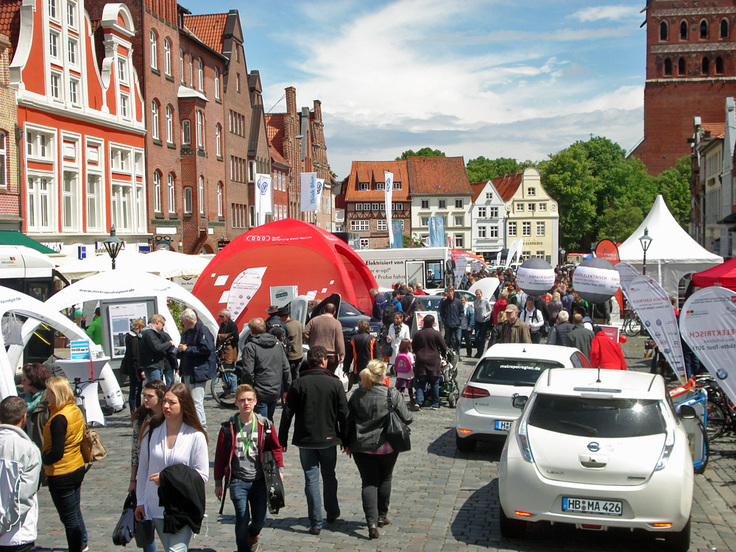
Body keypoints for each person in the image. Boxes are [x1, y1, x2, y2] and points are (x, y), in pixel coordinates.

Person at [278, 346, 348, 535]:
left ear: (309, 361)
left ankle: (316, 522)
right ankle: (332, 512)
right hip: (329, 437)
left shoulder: (299, 383)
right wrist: (346, 439)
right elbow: (344, 414)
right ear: (324, 360)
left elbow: (287, 413)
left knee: (311, 479)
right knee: (329, 475)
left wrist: (281, 438)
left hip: (305, 438)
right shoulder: (335, 383)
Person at [135, 383, 209, 552]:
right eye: (164, 402)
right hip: (156, 505)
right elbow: (143, 468)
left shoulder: (196, 436)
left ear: (184, 404)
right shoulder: (151, 431)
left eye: (172, 402)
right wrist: (140, 501)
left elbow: (202, 475)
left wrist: (168, 479)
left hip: (183, 506)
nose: (166, 406)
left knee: (176, 549)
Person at [345, 360, 413, 540]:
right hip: (387, 446)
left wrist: (346, 443)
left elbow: (348, 421)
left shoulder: (357, 394)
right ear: (383, 376)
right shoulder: (392, 393)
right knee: (385, 478)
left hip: (361, 446)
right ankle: (382, 515)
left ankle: (371, 523)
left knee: (368, 482)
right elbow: (407, 418)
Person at [214, 384, 284, 552]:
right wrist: (218, 482)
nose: (246, 403)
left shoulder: (264, 425)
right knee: (242, 517)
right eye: (242, 400)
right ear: (236, 403)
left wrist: (280, 469)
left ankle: (252, 535)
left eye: (249, 400)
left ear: (255, 402)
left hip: (260, 479)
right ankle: (243, 549)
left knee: (260, 519)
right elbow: (220, 457)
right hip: (238, 480)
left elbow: (276, 447)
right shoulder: (228, 428)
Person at [42, 377, 87, 552]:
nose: (46, 396)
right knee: (75, 512)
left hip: (62, 473)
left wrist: (42, 458)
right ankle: (82, 543)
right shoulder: (73, 409)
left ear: (57, 394)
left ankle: (76, 547)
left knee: (69, 519)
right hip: (76, 466)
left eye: (50, 393)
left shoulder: (59, 418)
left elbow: (57, 452)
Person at [128, 380, 167, 552]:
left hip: (164, 472)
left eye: (149, 396)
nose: (145, 399)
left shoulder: (169, 415)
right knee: (145, 519)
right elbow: (135, 451)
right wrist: (133, 479)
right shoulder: (141, 417)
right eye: (144, 395)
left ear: (160, 397)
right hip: (146, 471)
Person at [0, 396, 42, 552]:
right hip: (17, 534)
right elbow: (22, 497)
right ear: (24, 418)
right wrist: (3, 526)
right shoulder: (29, 450)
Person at [241, 317, 292, 421]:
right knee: (268, 420)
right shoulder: (277, 344)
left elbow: (247, 372)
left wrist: (248, 389)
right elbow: (286, 368)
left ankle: (267, 436)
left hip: (260, 391)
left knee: (261, 422)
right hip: (275, 389)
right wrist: (287, 388)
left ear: (251, 331)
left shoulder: (250, 347)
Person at [177, 308, 217, 430]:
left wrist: (187, 349)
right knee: (190, 401)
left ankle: (201, 427)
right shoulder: (187, 332)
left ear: (188, 320)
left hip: (198, 370)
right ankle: (193, 425)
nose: (182, 324)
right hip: (189, 370)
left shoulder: (202, 330)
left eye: (183, 322)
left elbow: (207, 349)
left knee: (196, 401)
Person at [411, 314, 448, 411]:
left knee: (420, 382)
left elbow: (414, 347)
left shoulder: (418, 334)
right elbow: (443, 347)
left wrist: (418, 353)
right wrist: (445, 354)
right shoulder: (436, 334)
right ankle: (435, 403)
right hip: (433, 360)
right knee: (435, 382)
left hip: (421, 360)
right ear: (433, 323)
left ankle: (419, 402)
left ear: (423, 322)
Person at [302, 303, 345, 374]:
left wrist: (310, 343)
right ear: (334, 312)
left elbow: (305, 332)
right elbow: (339, 341)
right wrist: (342, 355)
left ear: (324, 310)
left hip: (315, 354)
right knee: (329, 376)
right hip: (331, 355)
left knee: (315, 374)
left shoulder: (314, 320)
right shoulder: (336, 323)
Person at [20, 362, 52, 451]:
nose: (21, 383)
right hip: (30, 450)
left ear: (34, 381)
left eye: (24, 380)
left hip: (45, 452)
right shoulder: (25, 400)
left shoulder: (48, 401)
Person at [140, 314, 177, 386]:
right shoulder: (149, 333)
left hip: (157, 364)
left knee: (158, 387)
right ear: (157, 322)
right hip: (152, 365)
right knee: (156, 387)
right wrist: (169, 343)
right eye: (163, 324)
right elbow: (157, 347)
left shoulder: (154, 333)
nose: (163, 327)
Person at [344, 319, 380, 390]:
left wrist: (346, 369)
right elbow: (378, 355)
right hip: (371, 368)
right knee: (372, 388)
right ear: (368, 328)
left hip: (358, 368)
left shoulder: (353, 339)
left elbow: (348, 357)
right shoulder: (372, 339)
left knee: (361, 388)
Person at [122, 318, 145, 411]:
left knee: (134, 390)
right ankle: (135, 410)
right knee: (135, 390)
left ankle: (135, 410)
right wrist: (141, 369)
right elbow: (136, 356)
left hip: (132, 367)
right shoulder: (134, 340)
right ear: (139, 327)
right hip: (135, 368)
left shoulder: (129, 337)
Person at [217, 309, 240, 398]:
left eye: (222, 316)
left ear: (227, 316)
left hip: (230, 351)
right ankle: (227, 390)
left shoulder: (232, 325)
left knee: (230, 370)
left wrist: (225, 336)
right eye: (219, 316)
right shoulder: (222, 325)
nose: (220, 318)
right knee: (223, 371)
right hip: (223, 350)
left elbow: (236, 338)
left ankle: (233, 391)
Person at [279, 304, 304, 382]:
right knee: (296, 374)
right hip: (299, 354)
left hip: (291, 356)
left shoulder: (285, 326)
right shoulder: (298, 324)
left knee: (288, 376)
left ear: (283, 316)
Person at [438, 287, 463, 355]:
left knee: (458, 339)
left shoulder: (458, 301)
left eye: (451, 291)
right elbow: (442, 313)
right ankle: (448, 354)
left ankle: (457, 353)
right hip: (448, 324)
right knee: (448, 340)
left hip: (457, 324)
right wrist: (445, 321)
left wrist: (459, 320)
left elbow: (461, 312)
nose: (450, 293)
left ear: (453, 292)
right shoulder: (445, 302)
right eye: (448, 292)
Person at [393, 339, 415, 403]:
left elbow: (395, 363)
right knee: (409, 388)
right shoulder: (409, 354)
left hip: (400, 374)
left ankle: (401, 398)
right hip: (409, 374)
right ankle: (411, 399)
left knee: (401, 388)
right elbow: (412, 363)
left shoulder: (398, 353)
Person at [473, 289, 492, 357]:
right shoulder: (475, 302)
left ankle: (481, 352)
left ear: (481, 294)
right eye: (477, 294)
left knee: (482, 337)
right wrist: (474, 320)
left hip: (484, 321)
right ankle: (478, 350)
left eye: (479, 294)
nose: (478, 295)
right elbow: (475, 312)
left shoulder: (485, 301)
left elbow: (490, 310)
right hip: (478, 321)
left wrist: (485, 315)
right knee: (476, 336)